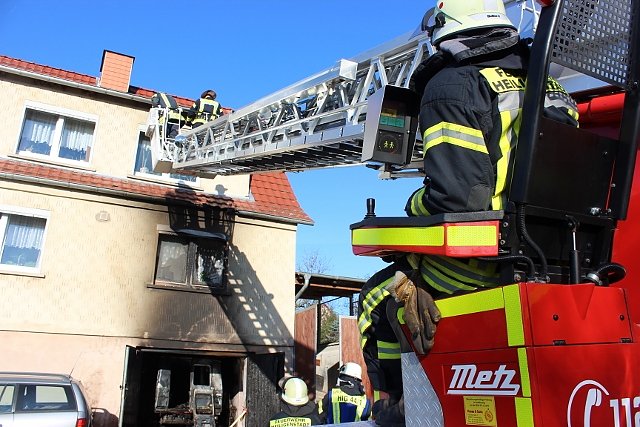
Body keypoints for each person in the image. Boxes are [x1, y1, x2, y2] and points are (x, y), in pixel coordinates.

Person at [358, 1, 580, 425]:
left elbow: (459, 202)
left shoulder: (451, 85)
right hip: (559, 260)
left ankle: (394, 408)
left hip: (488, 262)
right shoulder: (549, 84)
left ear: (443, 26)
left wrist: (411, 208)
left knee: (374, 298)